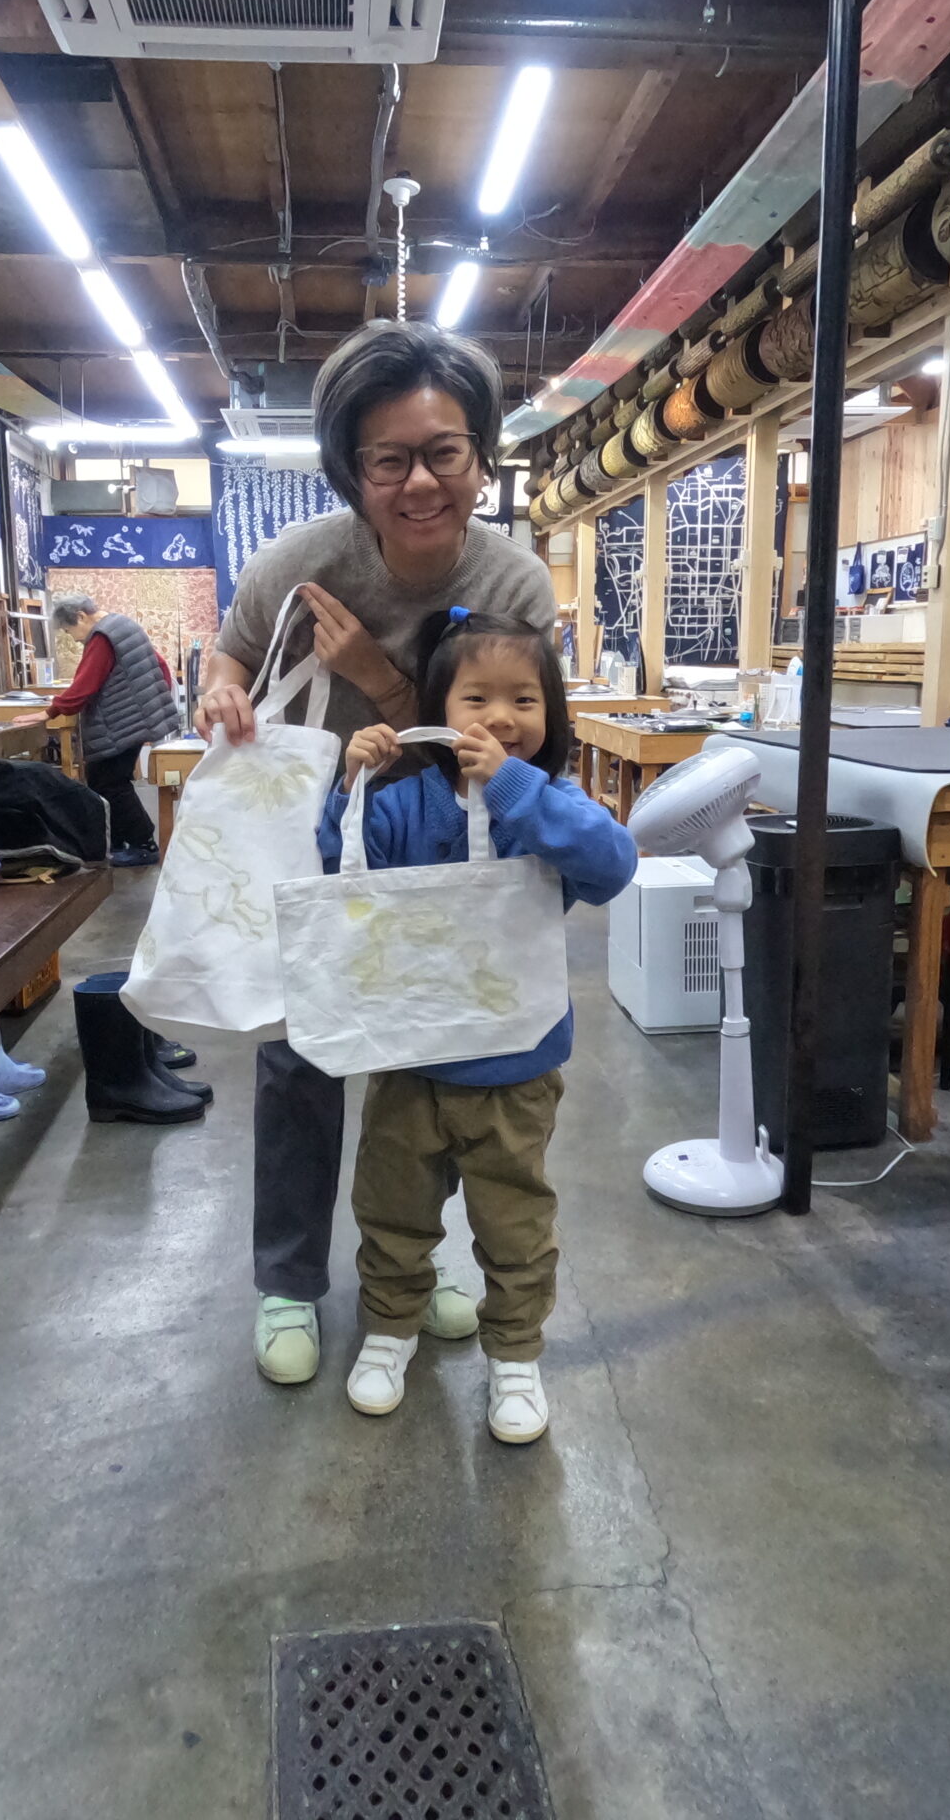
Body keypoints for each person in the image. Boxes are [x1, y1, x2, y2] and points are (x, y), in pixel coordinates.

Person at [194, 318, 556, 1387]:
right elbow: (230, 651)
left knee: (434, 1064)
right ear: (351, 469)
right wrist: (219, 693)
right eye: (389, 460)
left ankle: (417, 1262)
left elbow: (510, 737)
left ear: (481, 457)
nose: (419, 483)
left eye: (444, 452)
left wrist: (376, 678)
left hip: (448, 853)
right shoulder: (303, 563)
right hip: (315, 841)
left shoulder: (513, 586)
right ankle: (288, 1281)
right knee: (298, 1059)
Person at [320, 611, 634, 1443]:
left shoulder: (550, 804)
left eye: (524, 699)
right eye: (477, 698)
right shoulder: (405, 804)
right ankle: (391, 1329)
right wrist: (351, 787)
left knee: (514, 1224)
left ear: (552, 714)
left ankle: (516, 1355)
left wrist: (513, 789)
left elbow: (612, 867)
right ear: (438, 709)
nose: (501, 716)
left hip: (514, 1067)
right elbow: (341, 872)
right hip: (410, 1060)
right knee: (392, 1208)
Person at [23, 592, 180, 866]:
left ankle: (144, 844)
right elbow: (160, 667)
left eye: (68, 630)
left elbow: (86, 684)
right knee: (105, 780)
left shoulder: (102, 637)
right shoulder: (123, 626)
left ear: (81, 616)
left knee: (111, 783)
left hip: (122, 721)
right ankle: (118, 842)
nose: (73, 638)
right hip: (135, 717)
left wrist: (50, 711)